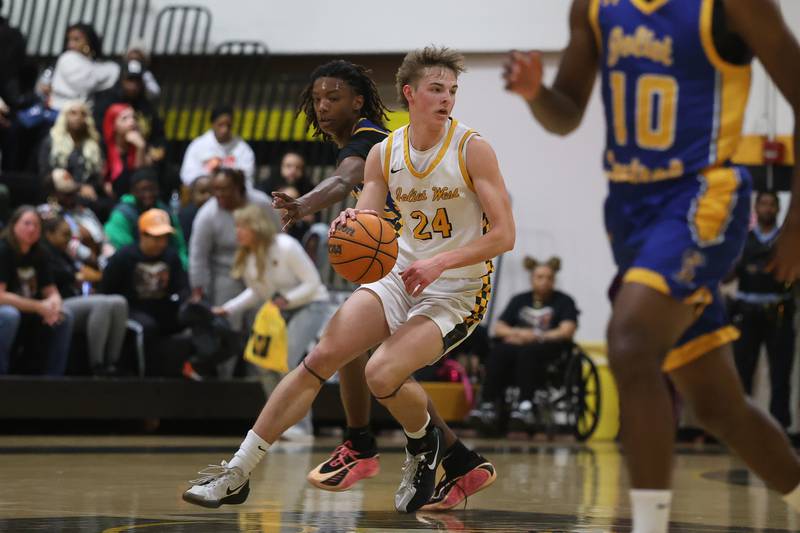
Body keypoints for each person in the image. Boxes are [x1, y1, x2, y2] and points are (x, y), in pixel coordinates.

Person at [503, 1, 800, 531]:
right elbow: (566, 111)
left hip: (705, 195)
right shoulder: (594, 8)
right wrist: (535, 94)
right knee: (716, 406)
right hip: (630, 213)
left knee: (631, 338)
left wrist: (797, 222)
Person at [182, 46, 515, 514]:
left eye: (452, 91)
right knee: (320, 357)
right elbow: (366, 221)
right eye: (436, 89)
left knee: (381, 371)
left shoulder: (472, 148)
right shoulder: (385, 153)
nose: (447, 99)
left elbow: (505, 235)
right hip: (401, 273)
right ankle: (237, 471)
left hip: (456, 288)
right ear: (410, 94)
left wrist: (440, 263)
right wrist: (349, 238)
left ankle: (420, 448)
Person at [271, 59, 497, 509]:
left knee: (367, 360)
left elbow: (347, 177)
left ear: (358, 102)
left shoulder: (371, 139)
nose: (322, 107)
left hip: (427, 273)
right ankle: (457, 457)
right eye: (317, 99)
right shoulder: (374, 143)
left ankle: (361, 443)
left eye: (332, 98)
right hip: (396, 268)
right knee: (368, 358)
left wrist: (305, 203)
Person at [213, 203, 330, 438]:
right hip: (279, 311)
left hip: (311, 304)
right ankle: (280, 423)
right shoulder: (247, 257)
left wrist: (285, 300)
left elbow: (313, 283)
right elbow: (257, 291)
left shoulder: (286, 246)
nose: (237, 231)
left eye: (242, 226)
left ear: (257, 226)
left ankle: (302, 427)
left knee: (286, 362)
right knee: (264, 364)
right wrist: (228, 309)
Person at [469, 256, 578, 433]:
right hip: (517, 347)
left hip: (547, 350)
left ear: (554, 280)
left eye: (549, 278)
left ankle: (525, 405)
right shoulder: (520, 300)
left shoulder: (564, 301)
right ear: (532, 278)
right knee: (499, 351)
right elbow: (499, 328)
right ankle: (487, 404)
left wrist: (536, 335)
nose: (544, 281)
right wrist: (519, 334)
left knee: (529, 352)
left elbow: (566, 330)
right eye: (540, 277)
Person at [731, 191, 796, 430]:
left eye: (772, 205)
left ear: (779, 209)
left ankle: (780, 429)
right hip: (747, 310)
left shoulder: (786, 241)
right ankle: (742, 428)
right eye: (763, 204)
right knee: (742, 373)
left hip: (778, 310)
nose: (767, 209)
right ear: (755, 209)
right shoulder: (742, 239)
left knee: (780, 375)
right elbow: (728, 274)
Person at [189, 167, 276, 338]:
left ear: (238, 187)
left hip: (260, 271)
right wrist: (198, 288)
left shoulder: (261, 203)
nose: (219, 194)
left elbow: (277, 237)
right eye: (216, 189)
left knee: (262, 325)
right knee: (226, 325)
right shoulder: (207, 214)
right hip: (225, 273)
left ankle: (257, 365)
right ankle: (226, 363)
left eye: (224, 189)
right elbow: (198, 255)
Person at [100, 208, 188, 373]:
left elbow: (182, 286)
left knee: (190, 319)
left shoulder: (171, 256)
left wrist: (188, 304)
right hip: (131, 309)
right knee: (146, 328)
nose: (161, 243)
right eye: (155, 238)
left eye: (164, 238)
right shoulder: (124, 256)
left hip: (161, 307)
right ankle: (145, 378)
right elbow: (106, 290)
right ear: (142, 235)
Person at [40, 213, 128, 375]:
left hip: (76, 299)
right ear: (49, 234)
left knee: (119, 302)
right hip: (58, 303)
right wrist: (80, 276)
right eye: (64, 234)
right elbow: (75, 276)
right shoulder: (44, 253)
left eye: (70, 234)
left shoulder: (65, 253)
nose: (69, 239)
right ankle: (96, 365)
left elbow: (87, 273)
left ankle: (112, 362)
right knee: (102, 303)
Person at [0, 205, 73, 375]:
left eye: (36, 225)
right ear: (13, 225)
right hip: (8, 309)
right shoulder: (3, 251)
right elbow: (1, 297)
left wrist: (54, 306)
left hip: (29, 307)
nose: (31, 229)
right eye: (26, 223)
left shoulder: (40, 253)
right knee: (10, 315)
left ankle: (53, 380)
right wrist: (39, 307)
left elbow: (51, 291)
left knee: (64, 316)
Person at [104, 167, 188, 268]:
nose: (148, 194)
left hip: (166, 267)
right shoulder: (122, 214)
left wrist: (181, 267)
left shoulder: (165, 211)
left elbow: (179, 247)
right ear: (133, 191)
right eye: (143, 190)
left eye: (152, 189)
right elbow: (124, 253)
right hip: (132, 269)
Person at [180, 105, 255, 187]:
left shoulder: (243, 149)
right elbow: (188, 175)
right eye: (220, 125)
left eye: (228, 125)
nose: (225, 130)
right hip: (205, 192)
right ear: (212, 124)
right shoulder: (198, 145)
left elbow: (247, 179)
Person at [49, 23, 119, 111]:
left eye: (76, 39)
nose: (71, 44)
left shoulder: (91, 61)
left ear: (89, 41)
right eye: (69, 40)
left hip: (84, 112)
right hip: (62, 111)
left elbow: (112, 71)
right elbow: (86, 84)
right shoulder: (68, 58)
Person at [102, 103, 149, 197]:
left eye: (133, 117)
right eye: (125, 118)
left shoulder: (140, 145)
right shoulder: (103, 148)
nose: (132, 122)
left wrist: (141, 148)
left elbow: (140, 181)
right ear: (113, 124)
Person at [178, 175, 212, 243]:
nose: (208, 196)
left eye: (211, 192)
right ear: (192, 195)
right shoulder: (186, 215)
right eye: (202, 192)